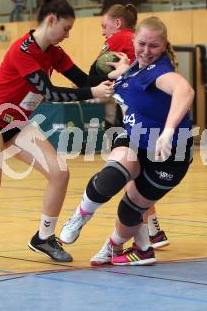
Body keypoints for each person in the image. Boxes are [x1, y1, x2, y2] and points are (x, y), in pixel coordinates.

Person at [0, 0, 114, 276]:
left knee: (59, 172)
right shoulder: (22, 51)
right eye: (65, 29)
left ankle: (43, 237)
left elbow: (83, 80)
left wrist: (113, 73)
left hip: (17, 123)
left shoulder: (54, 51)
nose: (67, 35)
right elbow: (51, 93)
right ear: (50, 20)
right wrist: (92, 92)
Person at [60, 16, 194, 265]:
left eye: (153, 46)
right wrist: (124, 71)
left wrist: (168, 130)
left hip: (169, 155)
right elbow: (132, 79)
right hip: (135, 137)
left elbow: (184, 90)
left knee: (131, 208)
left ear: (164, 45)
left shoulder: (161, 71)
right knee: (112, 175)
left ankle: (119, 247)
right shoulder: (135, 67)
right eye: (141, 44)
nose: (146, 51)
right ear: (134, 40)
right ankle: (80, 216)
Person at [89, 3, 170, 248]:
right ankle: (154, 232)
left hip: (133, 114)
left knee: (128, 173)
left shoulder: (119, 38)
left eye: (104, 26)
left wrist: (82, 90)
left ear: (117, 23)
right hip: (145, 113)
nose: (103, 32)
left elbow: (94, 72)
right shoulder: (138, 43)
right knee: (135, 175)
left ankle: (147, 236)